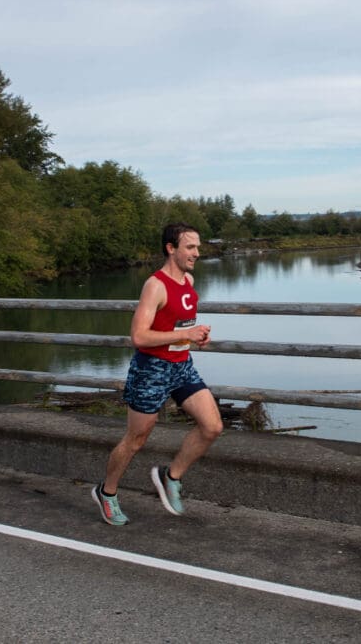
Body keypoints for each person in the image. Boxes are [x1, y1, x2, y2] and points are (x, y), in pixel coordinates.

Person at [92, 222, 224, 525]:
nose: (197, 253)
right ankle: (107, 492)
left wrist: (195, 336)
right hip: (150, 370)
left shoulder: (188, 280)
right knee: (135, 440)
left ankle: (170, 476)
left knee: (212, 427)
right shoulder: (155, 285)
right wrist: (186, 333)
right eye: (190, 247)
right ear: (171, 248)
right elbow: (138, 336)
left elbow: (178, 328)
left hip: (181, 366)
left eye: (198, 247)